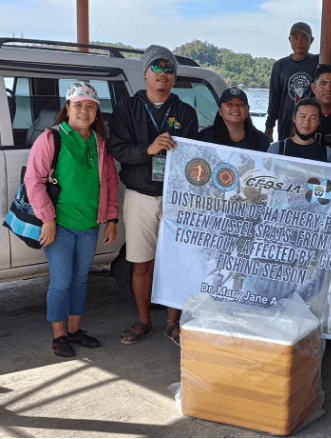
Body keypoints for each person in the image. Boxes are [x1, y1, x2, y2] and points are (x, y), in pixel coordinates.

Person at [108, 45, 199, 346]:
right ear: (145, 72)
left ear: (175, 76)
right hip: (140, 195)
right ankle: (144, 320)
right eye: (157, 68)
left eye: (169, 68)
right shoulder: (126, 108)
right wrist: (147, 150)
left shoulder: (184, 112)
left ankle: (173, 323)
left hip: (176, 197)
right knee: (140, 262)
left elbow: (194, 158)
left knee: (174, 261)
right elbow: (117, 149)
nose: (163, 74)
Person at [25, 82, 119, 358]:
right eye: (78, 105)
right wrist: (48, 219)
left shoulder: (100, 144)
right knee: (61, 281)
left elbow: (110, 184)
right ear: (67, 108)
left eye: (91, 106)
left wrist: (111, 218)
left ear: (97, 112)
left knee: (80, 281)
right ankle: (59, 335)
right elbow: (33, 181)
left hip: (89, 225)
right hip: (60, 225)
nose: (84, 111)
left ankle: (76, 330)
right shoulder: (51, 138)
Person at [265, 21, 331, 143]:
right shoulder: (280, 65)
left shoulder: (318, 61)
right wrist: (269, 125)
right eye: (295, 38)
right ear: (289, 40)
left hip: (310, 124)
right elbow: (274, 98)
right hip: (286, 123)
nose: (299, 42)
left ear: (311, 40)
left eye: (304, 38)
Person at [197, 87, 269, 152]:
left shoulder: (261, 140)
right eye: (229, 104)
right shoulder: (205, 138)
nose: (235, 108)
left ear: (247, 110)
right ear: (220, 110)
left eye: (241, 105)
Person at [268, 98, 331, 163]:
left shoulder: (327, 154)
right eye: (303, 116)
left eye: (313, 118)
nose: (307, 122)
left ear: (318, 122)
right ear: (294, 118)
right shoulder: (276, 150)